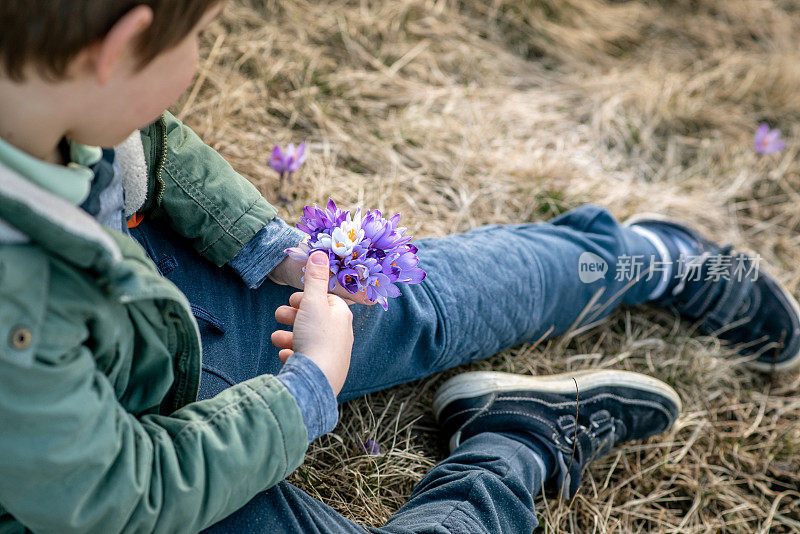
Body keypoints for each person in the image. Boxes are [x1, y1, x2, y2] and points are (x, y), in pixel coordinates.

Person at [0, 1, 796, 532]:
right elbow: (117, 493)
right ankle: (513, 448)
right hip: (109, 480)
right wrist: (306, 388)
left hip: (167, 308)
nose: (200, 55)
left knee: (422, 305)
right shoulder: (15, 320)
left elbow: (148, 138)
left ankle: (649, 258)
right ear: (115, 48)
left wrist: (266, 246)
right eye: (196, 35)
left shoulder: (43, 89)